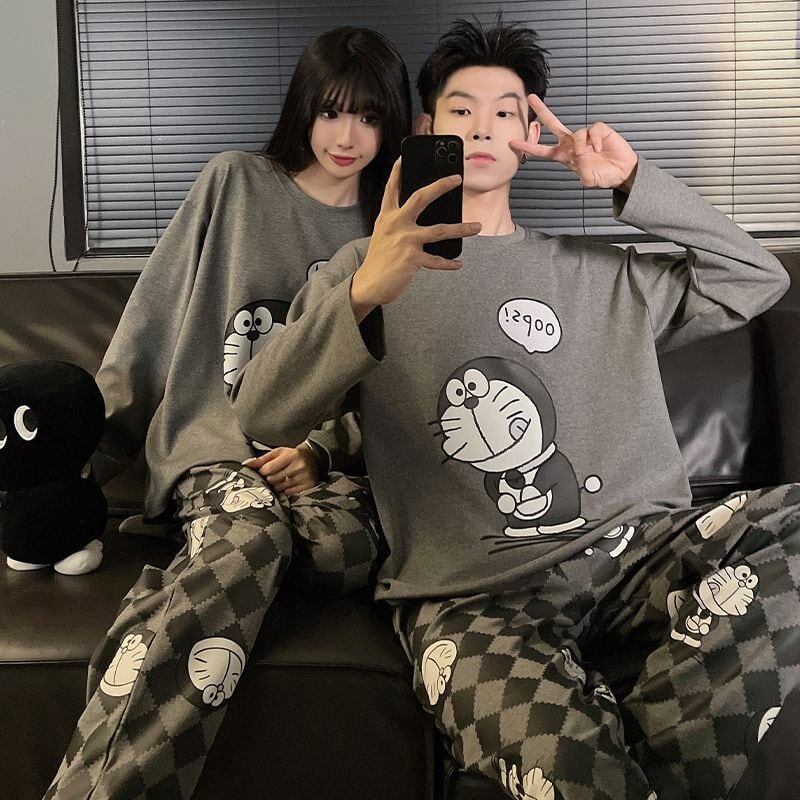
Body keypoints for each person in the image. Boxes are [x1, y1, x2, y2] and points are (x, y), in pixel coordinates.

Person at [231, 16, 798, 800]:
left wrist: (633, 182)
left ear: (530, 134)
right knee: (575, 773)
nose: (482, 127)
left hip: (640, 554)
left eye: (506, 112)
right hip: (472, 597)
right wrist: (364, 288)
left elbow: (758, 279)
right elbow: (262, 412)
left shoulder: (602, 273)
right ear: (425, 130)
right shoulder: (363, 272)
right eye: (461, 110)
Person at [44, 26, 407, 800]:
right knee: (252, 531)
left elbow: (394, 385)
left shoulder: (388, 234)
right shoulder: (236, 183)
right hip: (218, 452)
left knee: (339, 544)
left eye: (370, 116)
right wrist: (79, 467)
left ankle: (181, 588)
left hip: (324, 480)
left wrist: (323, 447)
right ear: (302, 108)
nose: (348, 137)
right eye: (332, 111)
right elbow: (151, 321)